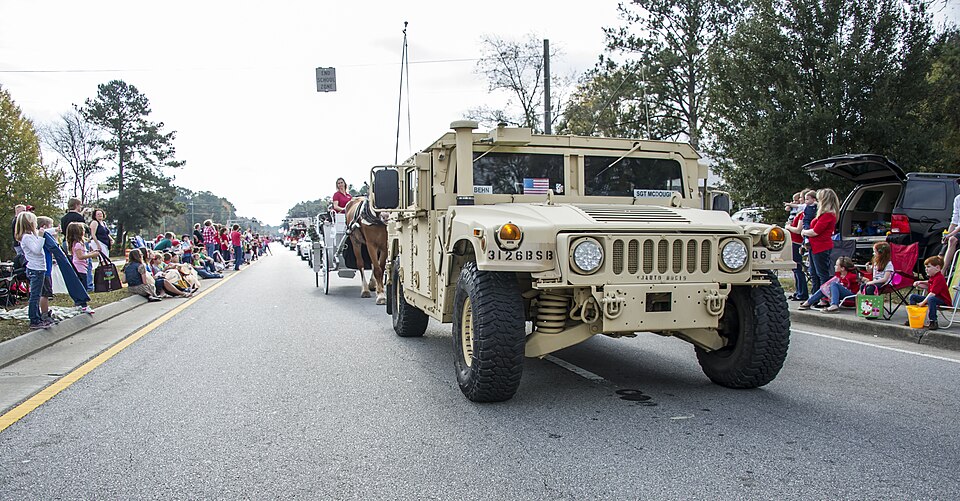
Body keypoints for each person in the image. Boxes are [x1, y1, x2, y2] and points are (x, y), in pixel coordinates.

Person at [15, 212, 51, 329]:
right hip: (35, 269)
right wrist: (40, 237)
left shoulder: (31, 235)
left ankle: (38, 317)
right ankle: (34, 320)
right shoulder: (26, 237)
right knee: (35, 296)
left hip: (39, 268)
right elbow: (36, 250)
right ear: (29, 223)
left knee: (37, 294)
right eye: (34, 221)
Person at [801, 188, 839, 295]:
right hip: (815, 246)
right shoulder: (824, 214)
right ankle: (815, 295)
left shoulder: (828, 215)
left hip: (821, 246)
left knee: (822, 274)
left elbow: (816, 231)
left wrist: (804, 231)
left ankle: (824, 297)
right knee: (814, 273)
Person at [905, 255, 952, 330]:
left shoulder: (939, 278)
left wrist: (922, 303)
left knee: (931, 299)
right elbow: (929, 283)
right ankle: (913, 317)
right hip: (934, 299)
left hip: (943, 301)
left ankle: (933, 321)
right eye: (925, 267)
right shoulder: (933, 277)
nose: (926, 269)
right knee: (912, 296)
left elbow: (932, 293)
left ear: (937, 268)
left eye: (928, 267)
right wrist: (920, 282)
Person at [67, 222, 99, 291]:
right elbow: (80, 256)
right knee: (83, 287)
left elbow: (82, 254)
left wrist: (91, 252)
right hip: (79, 268)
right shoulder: (78, 244)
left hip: (82, 267)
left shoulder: (78, 243)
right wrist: (92, 255)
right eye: (83, 230)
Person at [784, 208, 808, 301]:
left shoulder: (804, 214)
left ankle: (802, 293)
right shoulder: (799, 213)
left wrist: (788, 227)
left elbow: (798, 230)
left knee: (798, 268)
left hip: (797, 243)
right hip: (793, 242)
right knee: (795, 269)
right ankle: (798, 291)